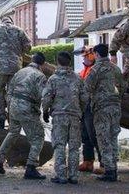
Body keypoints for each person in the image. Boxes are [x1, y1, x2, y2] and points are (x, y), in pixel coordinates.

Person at [0, 52, 47, 179]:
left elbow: (10, 90)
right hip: (27, 107)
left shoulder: (20, 72)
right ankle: (31, 168)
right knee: (38, 137)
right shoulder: (40, 76)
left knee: (12, 133)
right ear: (42, 64)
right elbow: (43, 95)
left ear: (32, 60)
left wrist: (11, 105)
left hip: (14, 106)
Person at [42, 51, 87, 185]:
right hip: (74, 116)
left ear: (57, 62)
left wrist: (45, 111)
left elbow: (47, 98)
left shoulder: (53, 79)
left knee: (59, 145)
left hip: (59, 116)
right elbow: (84, 98)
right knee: (74, 146)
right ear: (70, 63)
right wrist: (80, 110)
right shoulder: (78, 78)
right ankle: (73, 176)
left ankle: (61, 175)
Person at [0, 16, 32, 128]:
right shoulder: (19, 30)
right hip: (16, 68)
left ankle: (0, 118)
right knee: (13, 94)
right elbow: (28, 47)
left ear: (2, 21)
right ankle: (13, 119)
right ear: (11, 22)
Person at [85, 43, 125, 182]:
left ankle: (109, 170)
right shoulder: (116, 69)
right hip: (115, 107)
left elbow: (87, 88)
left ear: (96, 54)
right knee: (113, 137)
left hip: (102, 108)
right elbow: (122, 87)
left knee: (103, 139)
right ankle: (114, 167)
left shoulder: (95, 69)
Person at [74, 47, 103, 174]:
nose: (84, 58)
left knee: (94, 135)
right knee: (85, 135)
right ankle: (88, 161)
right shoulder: (82, 72)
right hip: (84, 108)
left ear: (92, 56)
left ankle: (103, 163)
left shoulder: (95, 71)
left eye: (86, 56)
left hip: (93, 107)